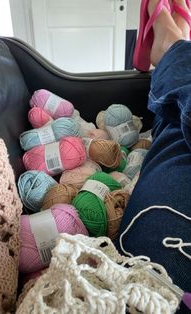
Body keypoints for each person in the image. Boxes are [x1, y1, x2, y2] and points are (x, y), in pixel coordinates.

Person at [116, 0, 191, 313]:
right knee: (179, 119)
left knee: (176, 126)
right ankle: (174, 43)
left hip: (158, 284)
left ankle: (171, 43)